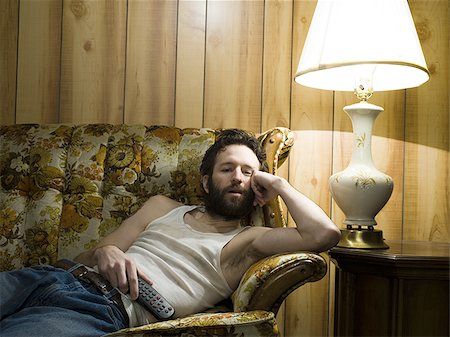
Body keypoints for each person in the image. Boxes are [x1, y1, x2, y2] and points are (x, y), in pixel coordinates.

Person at [0, 129, 341, 337]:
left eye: (248, 172)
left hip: (95, 308)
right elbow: (88, 256)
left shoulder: (247, 242)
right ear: (207, 182)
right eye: (227, 169)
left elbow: (323, 234)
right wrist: (105, 253)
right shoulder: (163, 207)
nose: (238, 177)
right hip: (52, 276)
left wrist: (279, 184)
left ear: (258, 186)